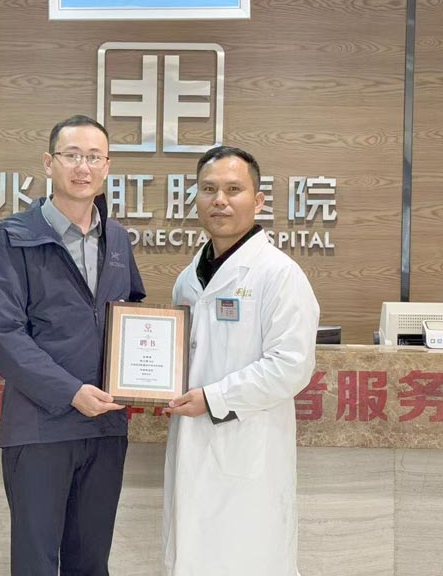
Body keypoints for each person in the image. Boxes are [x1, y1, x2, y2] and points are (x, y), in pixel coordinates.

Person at [0, 114, 146, 576]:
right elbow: (4, 335)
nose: (82, 167)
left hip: (105, 428)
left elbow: (131, 313)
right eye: (71, 155)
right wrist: (71, 392)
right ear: (48, 163)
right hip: (40, 428)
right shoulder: (14, 236)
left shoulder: (117, 238)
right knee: (35, 563)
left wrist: (146, 374)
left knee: (91, 563)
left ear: (107, 166)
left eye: (94, 157)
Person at [163, 146, 319, 576]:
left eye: (234, 189)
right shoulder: (188, 279)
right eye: (209, 189)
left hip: (248, 449)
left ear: (258, 199)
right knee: (192, 555)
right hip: (192, 444)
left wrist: (214, 398)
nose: (220, 200)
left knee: (246, 556)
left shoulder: (278, 274)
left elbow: (290, 365)